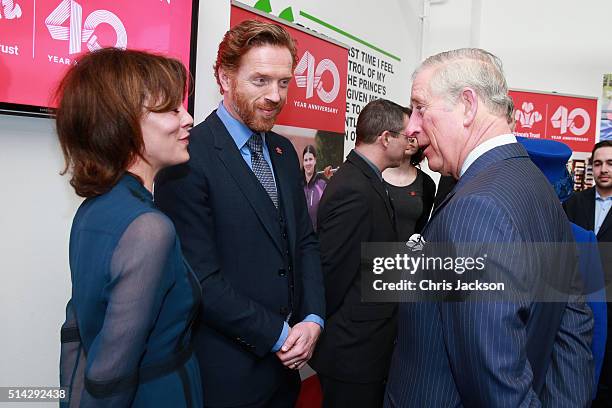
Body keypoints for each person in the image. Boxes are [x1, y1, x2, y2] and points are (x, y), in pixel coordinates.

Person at [385, 48, 593, 407]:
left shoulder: (477, 208)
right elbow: (572, 331)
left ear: (467, 105)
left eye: (420, 107)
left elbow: (496, 385)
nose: (411, 126)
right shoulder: (535, 184)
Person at [155, 20, 325, 407]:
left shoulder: (282, 153)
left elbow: (304, 242)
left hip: (285, 374)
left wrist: (313, 318)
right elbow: (200, 279)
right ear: (224, 77)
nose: (275, 95)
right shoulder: (187, 157)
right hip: (226, 374)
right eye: (260, 80)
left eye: (284, 82)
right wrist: (279, 335)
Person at [57, 48, 202, 407]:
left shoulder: (92, 212)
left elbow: (75, 334)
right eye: (172, 109)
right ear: (124, 123)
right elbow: (111, 375)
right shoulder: (149, 229)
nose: (188, 119)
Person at [309, 99, 410, 408]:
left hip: (364, 347)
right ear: (386, 138)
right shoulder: (354, 187)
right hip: (352, 350)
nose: (411, 143)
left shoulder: (364, 180)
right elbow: (333, 271)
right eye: (406, 136)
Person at [518, 137, 607, 399]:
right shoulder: (496, 232)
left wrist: (586, 389)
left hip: (557, 382)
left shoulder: (581, 240)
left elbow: (595, 327)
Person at [564, 140, 612, 405]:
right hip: (577, 300)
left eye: (610, 163)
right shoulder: (574, 202)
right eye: (597, 163)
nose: (603, 169)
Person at [382, 128, 436, 240]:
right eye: (405, 134)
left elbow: (421, 231)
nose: (411, 139)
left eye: (415, 134)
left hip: (407, 255)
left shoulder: (426, 183)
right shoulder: (374, 175)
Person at [302, 145, 328, 232]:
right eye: (306, 160)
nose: (308, 163)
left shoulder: (322, 185)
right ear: (303, 162)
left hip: (317, 238)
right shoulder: (297, 185)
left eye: (310, 159)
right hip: (299, 238)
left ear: (315, 160)